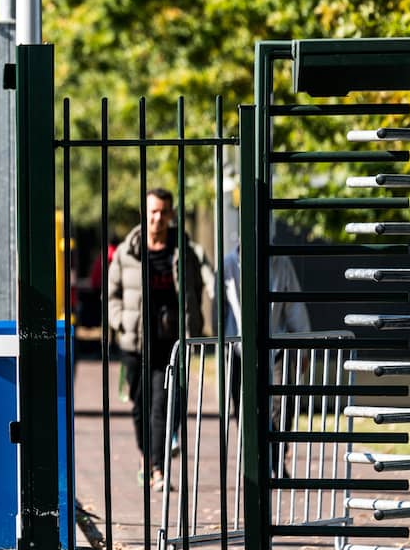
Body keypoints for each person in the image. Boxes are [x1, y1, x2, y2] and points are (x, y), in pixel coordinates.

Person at [105, 188, 204, 491]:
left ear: (171, 214)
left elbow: (195, 290)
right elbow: (111, 295)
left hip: (170, 342)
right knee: (139, 407)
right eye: (153, 212)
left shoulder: (182, 250)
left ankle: (158, 468)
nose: (158, 218)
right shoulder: (127, 251)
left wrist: (192, 327)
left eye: (163, 212)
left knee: (162, 406)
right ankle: (147, 459)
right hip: (135, 343)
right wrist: (121, 321)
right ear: (144, 214)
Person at [223, 235, 311, 476]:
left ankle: (275, 459)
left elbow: (293, 304)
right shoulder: (228, 265)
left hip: (276, 345)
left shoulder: (281, 263)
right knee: (244, 406)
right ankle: (256, 459)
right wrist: (221, 345)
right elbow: (219, 309)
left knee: (281, 405)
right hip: (239, 348)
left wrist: (303, 345)